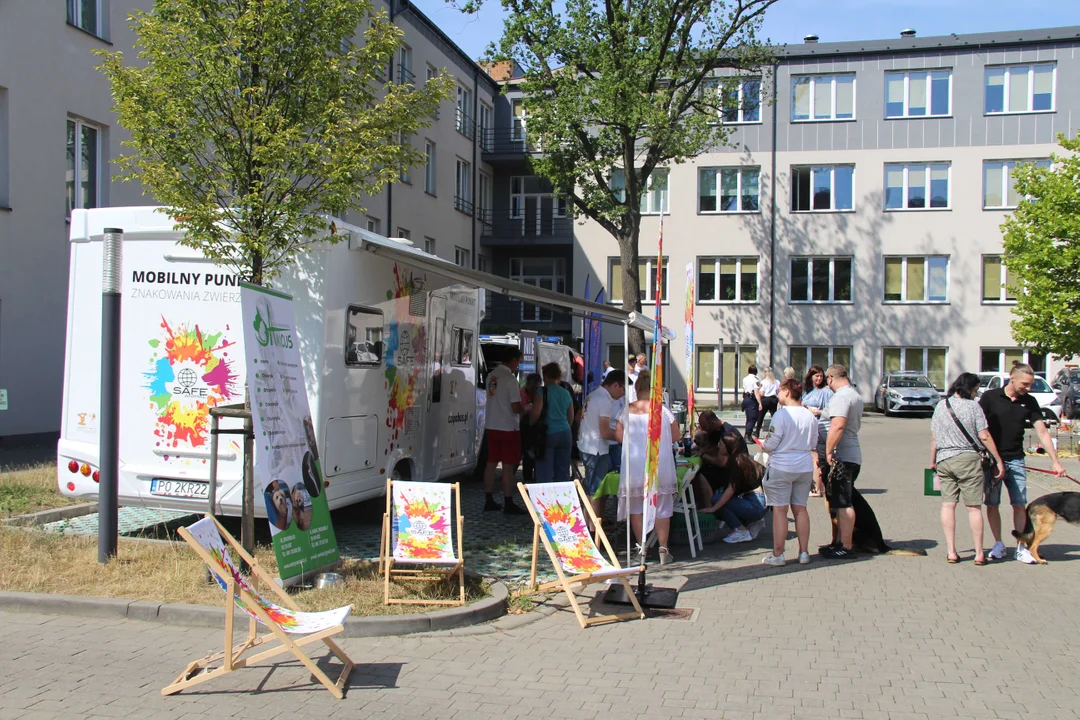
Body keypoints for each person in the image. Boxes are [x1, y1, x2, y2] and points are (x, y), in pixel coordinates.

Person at [979, 363, 1066, 563]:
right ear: (1012, 378)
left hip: (1017, 459)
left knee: (1019, 504)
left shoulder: (1030, 401)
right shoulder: (990, 397)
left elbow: (1042, 432)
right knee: (992, 504)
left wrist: (1055, 461)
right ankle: (998, 543)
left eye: (1030, 385)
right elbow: (978, 427)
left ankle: (1021, 547)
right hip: (993, 460)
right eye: (1025, 384)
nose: (1027, 388)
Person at [931, 372, 1005, 566]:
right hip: (968, 460)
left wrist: (932, 461)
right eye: (975, 389)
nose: (976, 393)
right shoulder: (974, 407)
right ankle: (979, 553)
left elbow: (934, 437)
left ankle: (951, 551)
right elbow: (984, 436)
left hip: (944, 459)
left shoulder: (940, 405)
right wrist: (998, 459)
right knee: (973, 508)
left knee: (948, 505)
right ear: (968, 388)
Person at [616, 373, 679, 564]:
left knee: (636, 508)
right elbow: (675, 436)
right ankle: (662, 548)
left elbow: (619, 437)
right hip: (659, 464)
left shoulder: (626, 411)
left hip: (634, 465)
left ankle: (642, 548)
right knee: (662, 507)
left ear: (636, 389)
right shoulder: (663, 410)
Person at [760, 379, 817, 566]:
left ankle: (778, 554)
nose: (777, 394)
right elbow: (814, 442)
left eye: (779, 391)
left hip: (782, 465)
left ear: (786, 392)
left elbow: (770, 443)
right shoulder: (809, 416)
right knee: (800, 508)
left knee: (780, 510)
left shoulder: (781, 415)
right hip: (804, 465)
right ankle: (804, 552)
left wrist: (763, 445)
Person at [821, 364, 862, 559]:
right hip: (849, 454)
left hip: (842, 456)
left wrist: (828, 450)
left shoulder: (841, 397)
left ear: (830, 378)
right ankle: (839, 542)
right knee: (838, 500)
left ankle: (846, 546)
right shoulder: (853, 394)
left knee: (844, 502)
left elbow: (837, 426)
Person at [578, 370, 626, 530]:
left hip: (588, 446)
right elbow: (605, 432)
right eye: (623, 390)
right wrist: (625, 438)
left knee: (593, 490)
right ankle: (593, 531)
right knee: (596, 491)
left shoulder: (593, 395)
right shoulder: (604, 401)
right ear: (615, 385)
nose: (622, 395)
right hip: (596, 449)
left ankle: (589, 527)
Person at [482, 348, 528, 514]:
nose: (519, 365)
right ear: (513, 360)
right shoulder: (510, 380)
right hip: (508, 427)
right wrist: (526, 409)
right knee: (508, 466)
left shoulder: (491, 376)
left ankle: (488, 499)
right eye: (519, 361)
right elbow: (515, 407)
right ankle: (508, 502)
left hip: (491, 424)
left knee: (491, 463)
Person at [701, 433, 767, 543]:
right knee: (719, 495)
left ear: (727, 447)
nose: (718, 445)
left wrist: (713, 508)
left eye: (721, 444)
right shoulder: (740, 458)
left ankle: (741, 530)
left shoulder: (736, 464)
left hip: (756, 504)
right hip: (756, 500)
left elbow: (730, 490)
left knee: (717, 499)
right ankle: (749, 523)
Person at [530, 363, 575, 484]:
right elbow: (571, 416)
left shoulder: (542, 391)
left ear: (545, 376)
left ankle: (546, 500)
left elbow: (535, 414)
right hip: (565, 433)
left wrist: (531, 425)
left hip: (547, 434)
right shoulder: (566, 393)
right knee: (563, 471)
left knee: (545, 472)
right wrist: (565, 427)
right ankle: (562, 500)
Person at [801, 365, 834, 497]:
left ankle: (818, 488)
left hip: (821, 425)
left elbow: (831, 411)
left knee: (818, 457)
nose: (819, 378)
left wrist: (815, 411)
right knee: (812, 456)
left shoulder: (827, 392)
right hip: (808, 425)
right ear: (811, 377)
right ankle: (819, 486)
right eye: (816, 376)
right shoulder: (807, 391)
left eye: (821, 376)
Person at [518, 373, 542, 484]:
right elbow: (519, 412)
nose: (534, 391)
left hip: (537, 429)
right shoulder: (521, 394)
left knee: (536, 453)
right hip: (525, 428)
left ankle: (537, 477)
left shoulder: (540, 393)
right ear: (527, 385)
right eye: (532, 388)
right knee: (527, 453)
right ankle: (527, 478)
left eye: (536, 388)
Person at [754, 367, 780, 438]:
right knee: (774, 417)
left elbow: (762, 393)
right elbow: (778, 392)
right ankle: (775, 432)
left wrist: (757, 393)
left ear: (765, 373)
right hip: (774, 400)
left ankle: (757, 431)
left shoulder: (763, 382)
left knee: (761, 416)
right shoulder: (777, 382)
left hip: (766, 400)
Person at [741, 364, 762, 440]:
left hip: (746, 398)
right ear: (756, 372)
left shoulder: (745, 379)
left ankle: (748, 435)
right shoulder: (755, 379)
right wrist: (760, 403)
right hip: (752, 400)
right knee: (752, 418)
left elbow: (744, 390)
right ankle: (747, 436)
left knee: (749, 418)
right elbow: (756, 392)